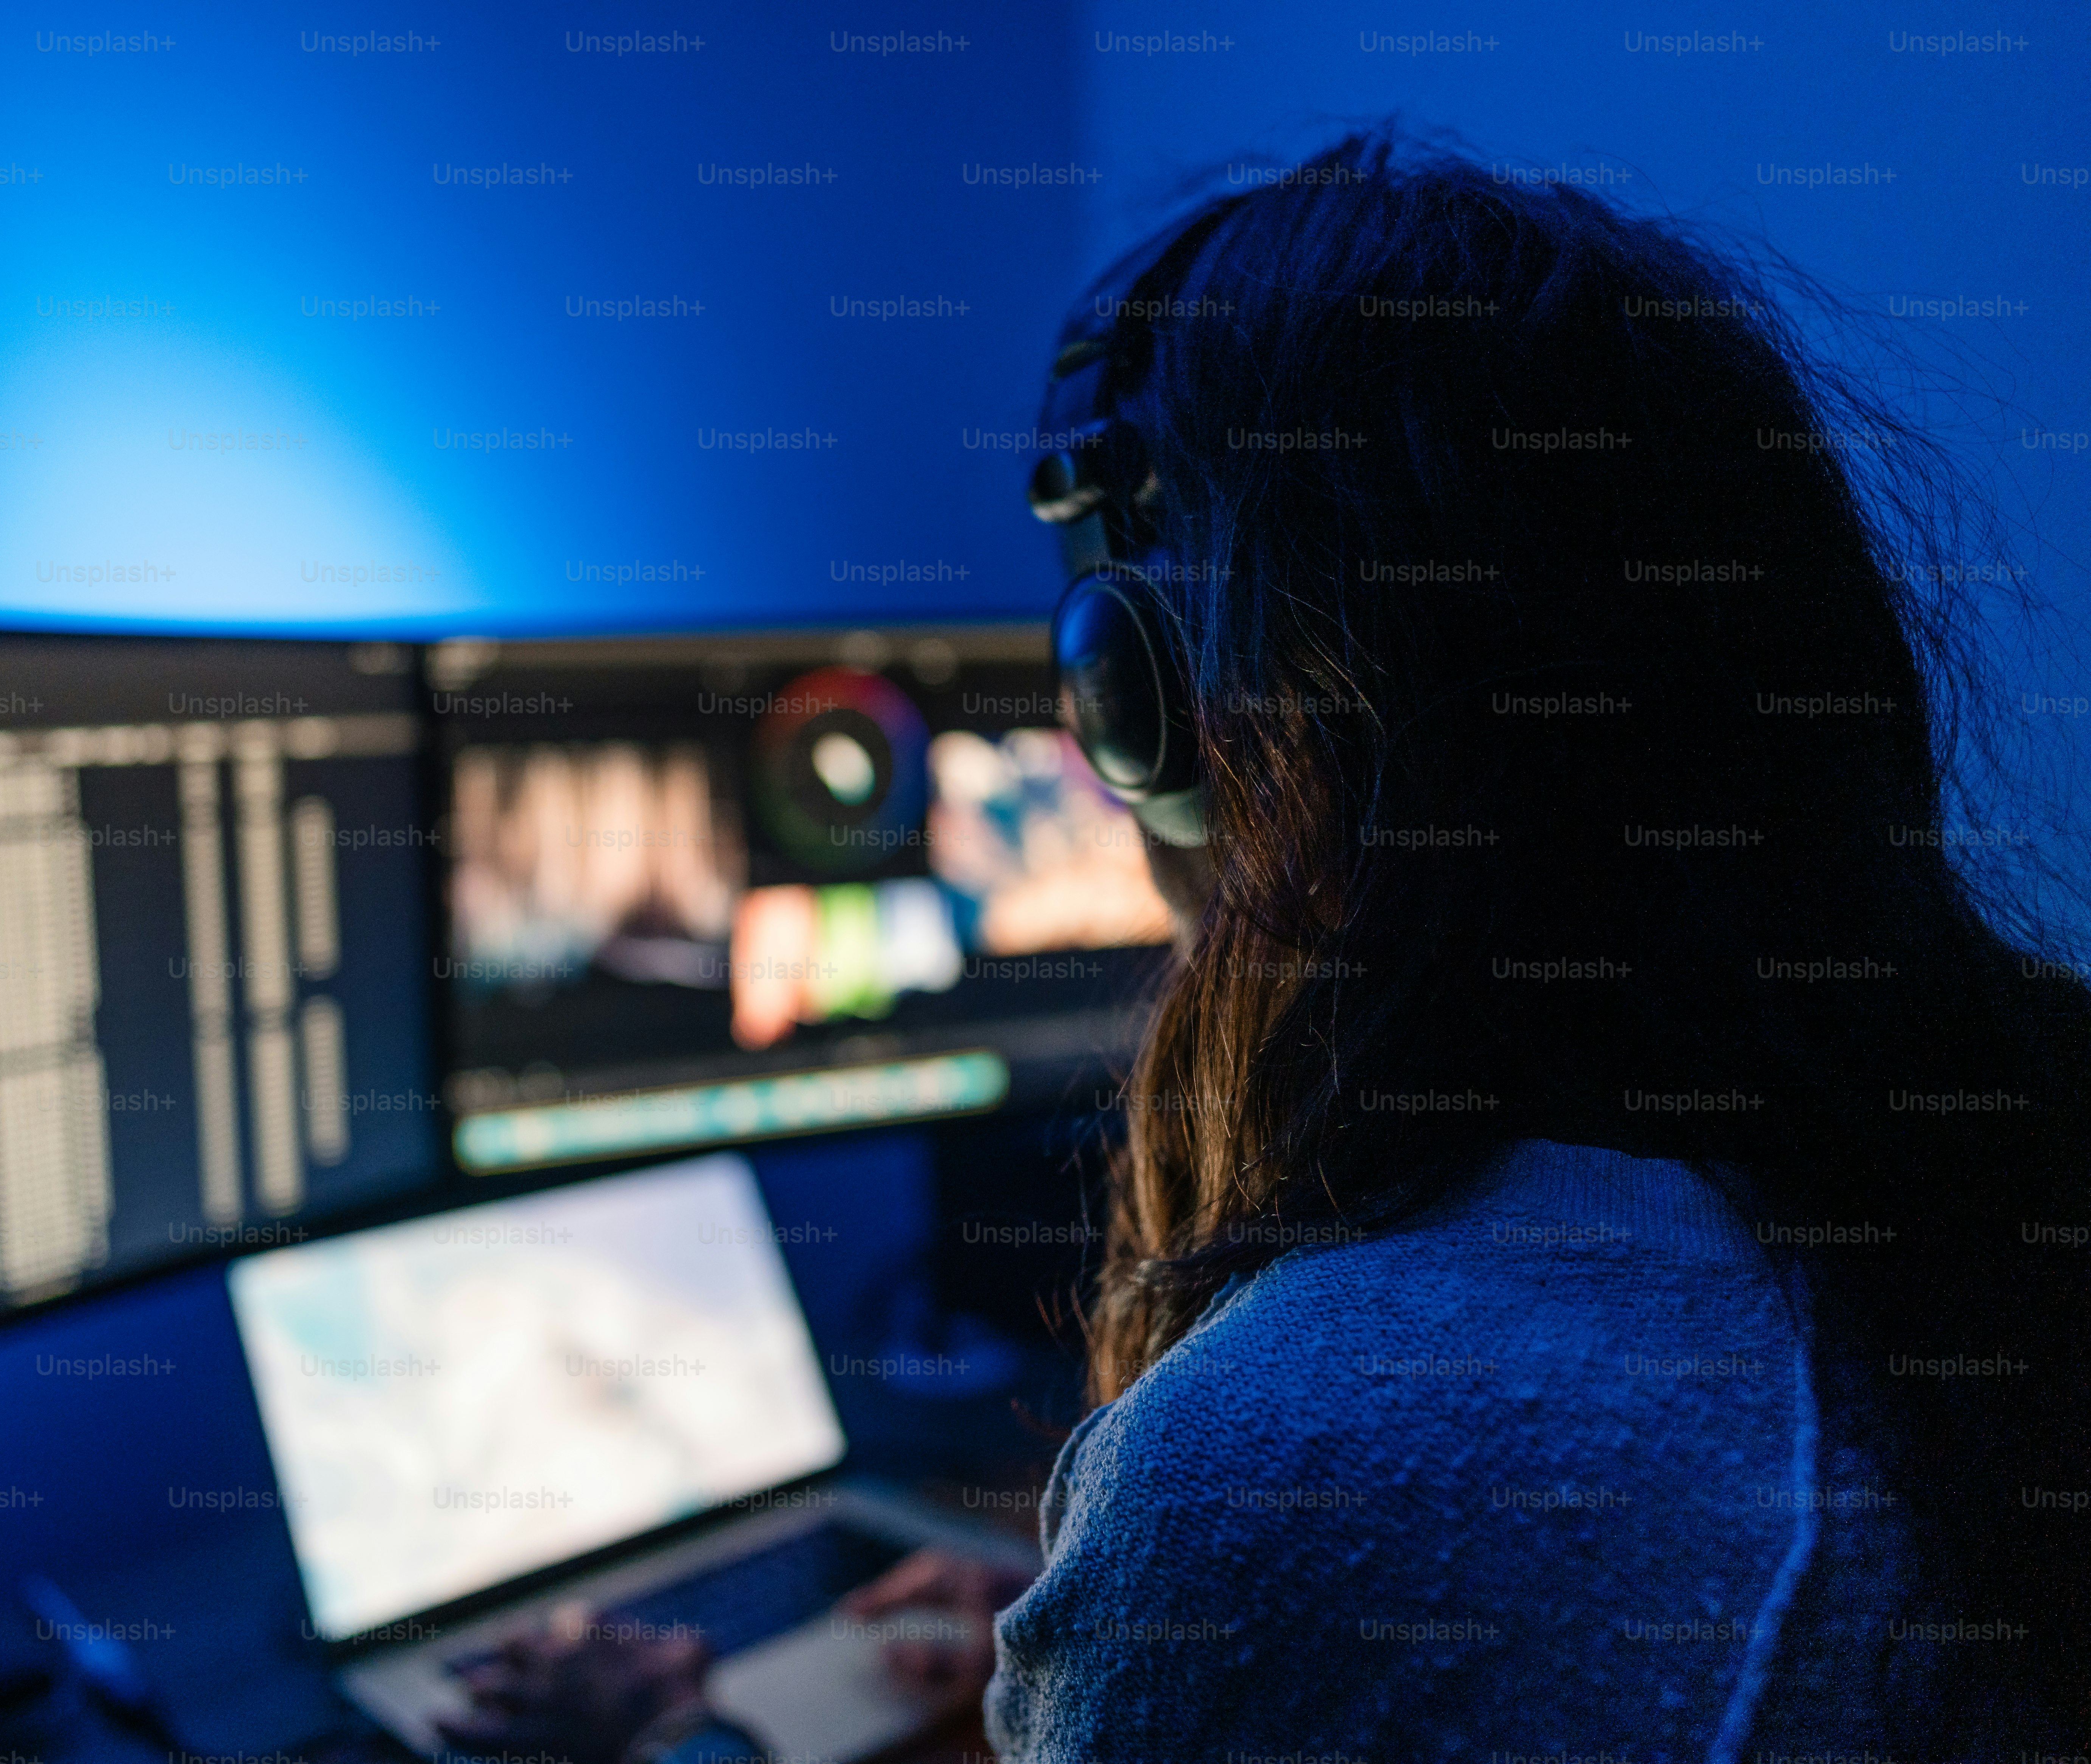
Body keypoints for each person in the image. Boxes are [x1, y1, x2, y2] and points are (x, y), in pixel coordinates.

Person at [437, 128, 2091, 1761]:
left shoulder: (1271, 1472)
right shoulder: (1997, 1155)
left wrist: (678, 1734)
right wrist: (1090, 1636)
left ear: (1144, 698)